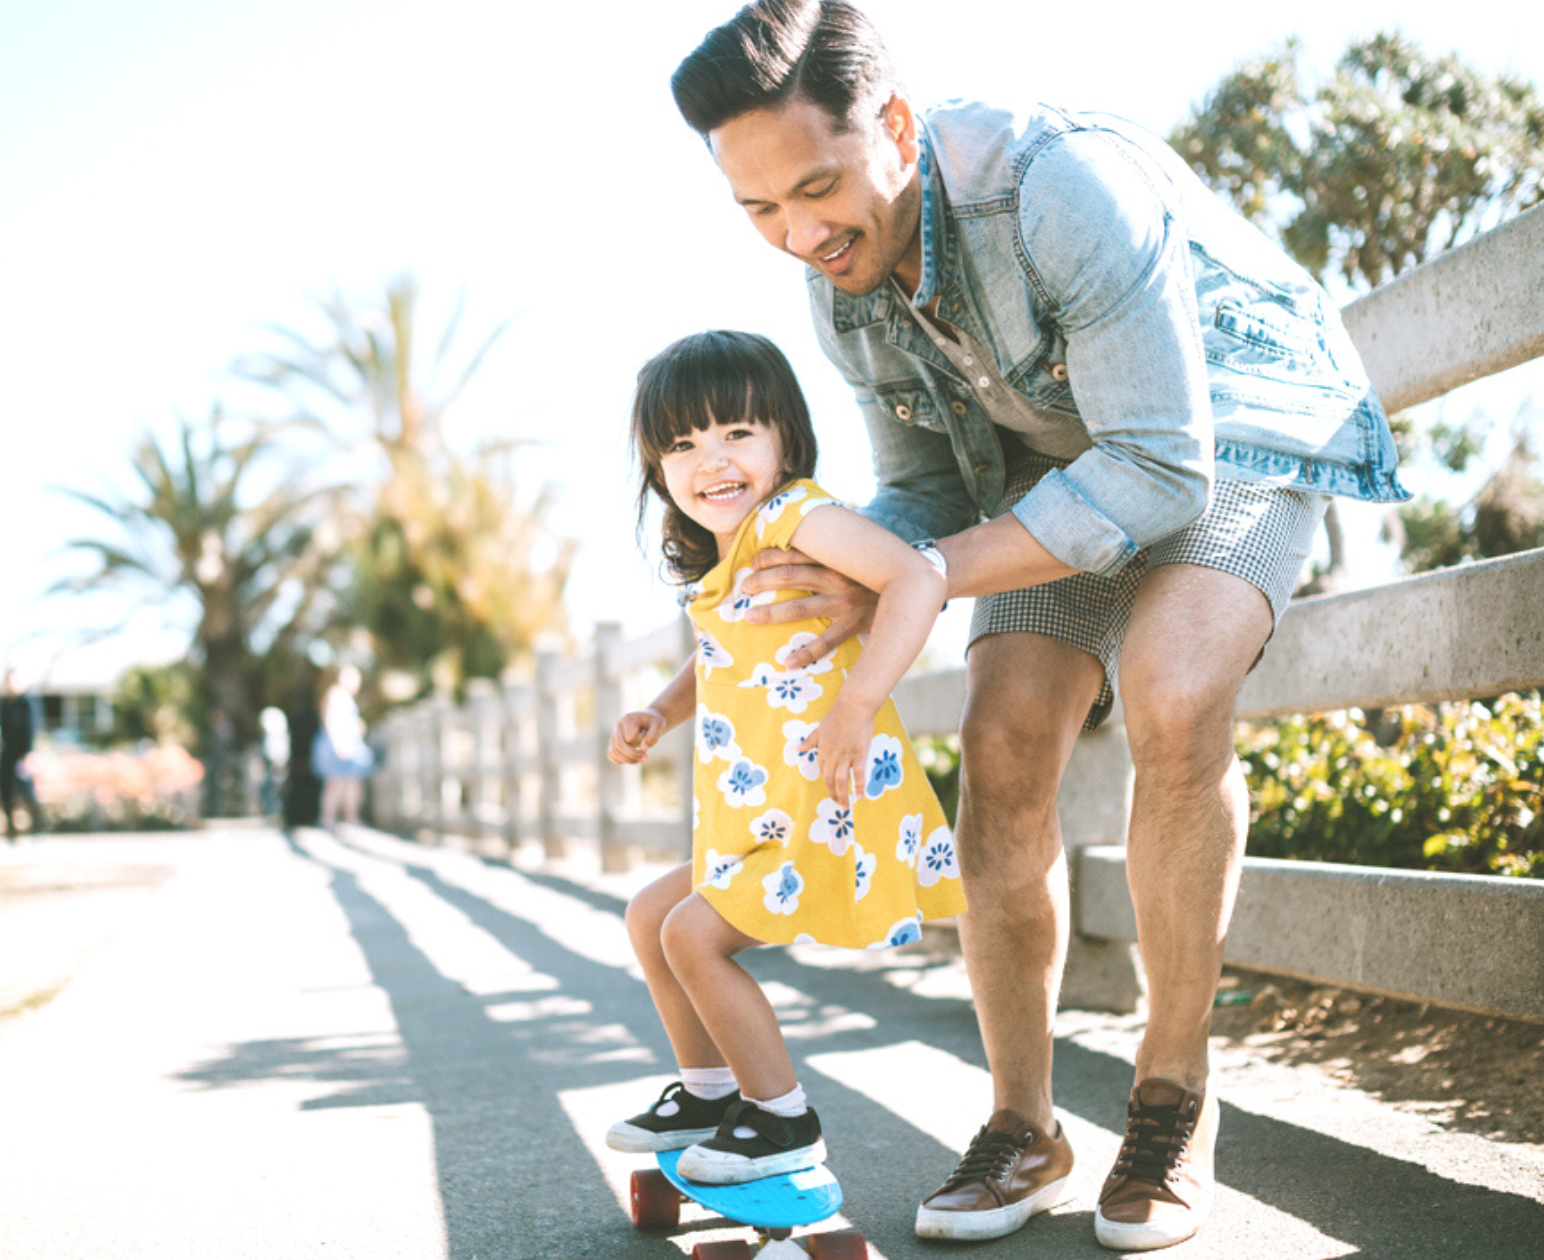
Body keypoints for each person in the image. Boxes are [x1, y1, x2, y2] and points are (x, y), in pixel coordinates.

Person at [671, 3, 1410, 1247]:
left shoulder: (1059, 186)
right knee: (1003, 740)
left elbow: (1163, 471)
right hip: (1050, 473)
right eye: (758, 212)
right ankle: (1024, 1127)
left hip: (1229, 437)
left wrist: (909, 572)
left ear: (894, 126)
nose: (799, 235)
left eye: (816, 187)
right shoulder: (839, 285)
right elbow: (921, 484)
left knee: (1171, 688)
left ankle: (1172, 1099)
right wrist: (862, 558)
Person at [602, 330, 965, 1185]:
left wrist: (858, 703)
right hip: (764, 811)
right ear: (658, 469)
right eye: (682, 444)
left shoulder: (795, 515)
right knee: (652, 916)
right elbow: (723, 653)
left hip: (825, 800)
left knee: (694, 937)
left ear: (784, 438)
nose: (712, 460)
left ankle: (781, 1119)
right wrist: (659, 708)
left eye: (737, 432)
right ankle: (708, 1091)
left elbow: (916, 578)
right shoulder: (728, 556)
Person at [311, 665, 373, 829]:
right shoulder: (336, 695)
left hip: (347, 743)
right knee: (336, 783)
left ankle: (348, 818)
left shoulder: (343, 696)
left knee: (349, 782)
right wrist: (338, 745)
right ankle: (329, 819)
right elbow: (331, 720)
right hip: (339, 744)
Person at [0, 668, 43, 839]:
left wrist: (28, 753)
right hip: (7, 753)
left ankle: (39, 828)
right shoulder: (4, 704)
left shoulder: (27, 702)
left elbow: (32, 729)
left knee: (27, 792)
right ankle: (11, 830)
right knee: (4, 790)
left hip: (23, 753)